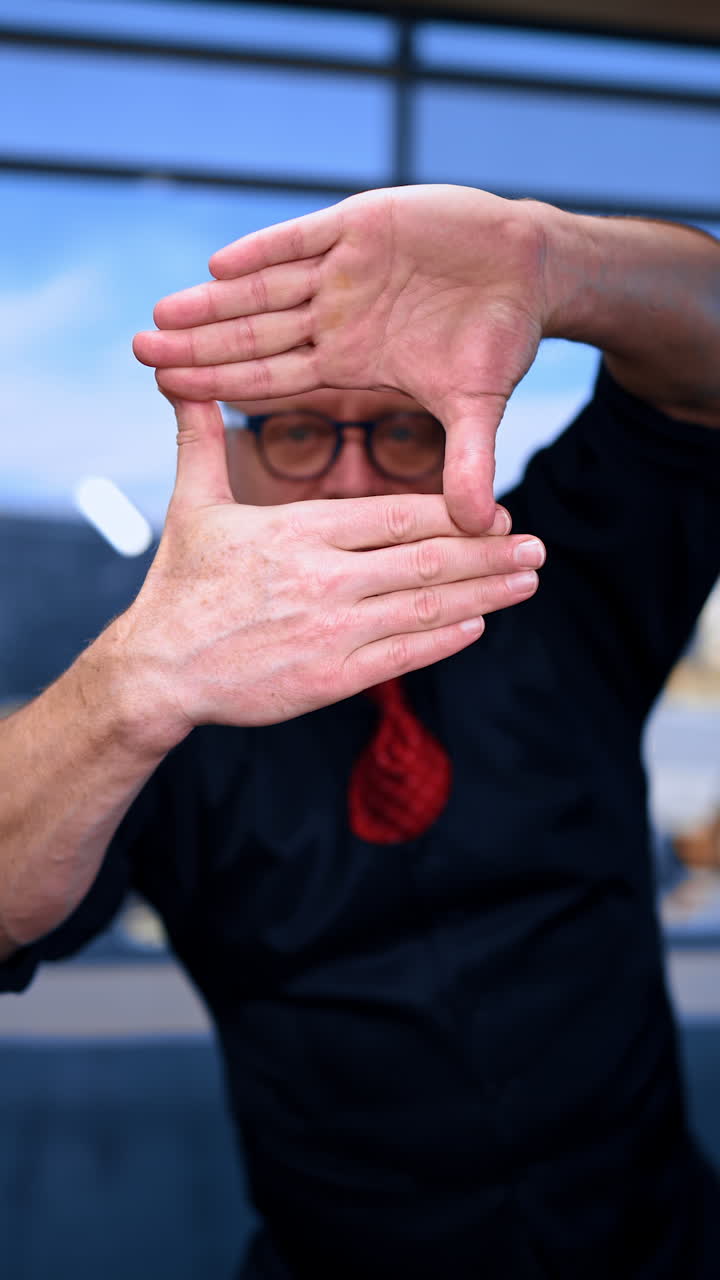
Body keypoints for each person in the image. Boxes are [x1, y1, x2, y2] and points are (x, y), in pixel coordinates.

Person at [2, 184, 720, 1279]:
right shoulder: (163, 710)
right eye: (296, 433)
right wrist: (127, 689)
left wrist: (551, 258)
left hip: (659, 1237)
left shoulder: (554, 584)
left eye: (400, 427)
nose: (351, 476)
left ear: (460, 441)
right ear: (232, 458)